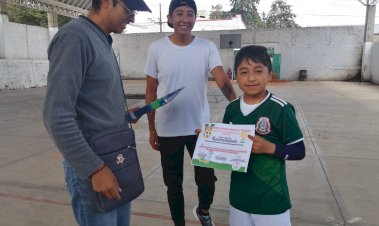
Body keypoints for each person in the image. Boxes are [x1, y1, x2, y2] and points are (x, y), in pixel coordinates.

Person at [42, 0, 151, 225]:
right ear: (107, 2)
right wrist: (95, 169)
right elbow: (56, 116)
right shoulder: (75, 37)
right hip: (95, 165)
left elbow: (91, 102)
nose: (133, 17)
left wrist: (122, 115)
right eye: (129, 9)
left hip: (115, 159)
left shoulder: (101, 39)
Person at [144, 0, 237, 225]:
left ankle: (203, 211)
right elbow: (151, 91)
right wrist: (152, 128)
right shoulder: (156, 48)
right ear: (170, 18)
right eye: (179, 13)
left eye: (190, 14)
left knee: (207, 181)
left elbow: (222, 79)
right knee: (173, 184)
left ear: (195, 18)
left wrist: (238, 106)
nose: (185, 19)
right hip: (168, 130)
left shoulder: (207, 47)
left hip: (200, 128)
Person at [222, 45, 306, 226]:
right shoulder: (232, 109)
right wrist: (208, 141)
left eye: (258, 71)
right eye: (243, 72)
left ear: (269, 75)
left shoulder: (281, 109)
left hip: (271, 200)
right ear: (236, 76)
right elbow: (226, 147)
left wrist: (271, 148)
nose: (251, 78)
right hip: (239, 198)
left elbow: (299, 151)